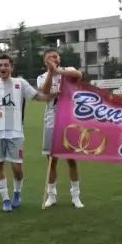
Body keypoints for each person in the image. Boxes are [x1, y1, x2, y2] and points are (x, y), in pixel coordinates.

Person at [0, 54, 58, 212]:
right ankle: (5, 199)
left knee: (17, 167)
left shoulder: (20, 83)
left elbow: (37, 96)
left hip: (16, 133)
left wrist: (54, 95)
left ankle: (17, 193)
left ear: (12, 67)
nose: (2, 68)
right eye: (0, 65)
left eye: (6, 65)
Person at [38, 48, 84, 208]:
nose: (53, 59)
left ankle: (76, 196)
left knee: (71, 159)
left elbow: (79, 75)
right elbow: (44, 91)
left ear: (59, 58)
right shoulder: (42, 77)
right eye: (50, 57)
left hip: (68, 121)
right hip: (51, 121)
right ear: (45, 60)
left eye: (55, 56)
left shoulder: (67, 71)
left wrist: (57, 71)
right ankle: (51, 195)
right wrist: (51, 73)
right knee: (51, 160)